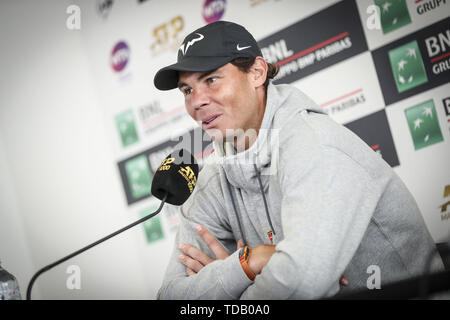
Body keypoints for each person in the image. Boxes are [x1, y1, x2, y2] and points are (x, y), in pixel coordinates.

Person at [153, 21, 444, 299]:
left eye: (211, 80)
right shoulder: (211, 180)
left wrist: (230, 289)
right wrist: (246, 263)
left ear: (256, 72)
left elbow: (300, 283)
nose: (196, 102)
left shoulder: (315, 144)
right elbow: (169, 296)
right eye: (187, 90)